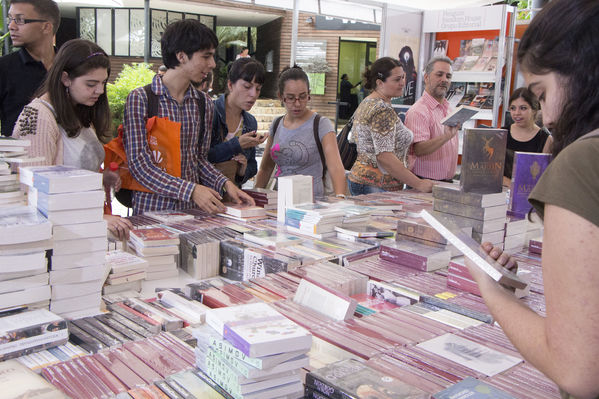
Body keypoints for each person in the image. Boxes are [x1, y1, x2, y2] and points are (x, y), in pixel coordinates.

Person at [463, 1, 599, 398]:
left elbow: (577, 372)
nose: (549, 117)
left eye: (542, 93)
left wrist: (491, 289)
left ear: (580, 70)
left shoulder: (583, 159)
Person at [122, 19, 254, 216]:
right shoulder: (141, 99)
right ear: (181, 56)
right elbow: (140, 167)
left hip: (191, 214)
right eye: (206, 56)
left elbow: (198, 160)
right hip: (151, 214)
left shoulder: (203, 103)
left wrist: (226, 184)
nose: (212, 64)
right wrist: (191, 190)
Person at [12, 39, 132, 240]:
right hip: (60, 236)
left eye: (103, 83)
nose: (100, 91)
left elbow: (71, 173)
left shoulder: (79, 110)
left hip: (81, 229)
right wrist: (97, 217)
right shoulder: (38, 116)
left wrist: (100, 178)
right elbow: (34, 194)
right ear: (65, 78)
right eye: (91, 84)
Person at [254, 66, 347, 198]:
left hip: (312, 203)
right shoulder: (276, 124)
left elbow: (336, 167)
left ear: (309, 94)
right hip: (279, 201)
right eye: (291, 98)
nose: (297, 104)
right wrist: (255, 197)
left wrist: (340, 198)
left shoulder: (321, 124)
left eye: (302, 97)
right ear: (281, 96)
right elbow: (266, 168)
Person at [347, 57, 434, 195]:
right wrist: (419, 184)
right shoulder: (382, 110)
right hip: (377, 186)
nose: (402, 83)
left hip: (365, 181)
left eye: (403, 77)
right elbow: (384, 156)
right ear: (380, 83)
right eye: (396, 79)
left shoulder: (369, 102)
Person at [0, 0, 59, 137]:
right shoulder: (4, 68)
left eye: (20, 20)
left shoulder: (72, 67)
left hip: (67, 156)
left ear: (46, 27)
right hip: (18, 156)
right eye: (11, 19)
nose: (11, 26)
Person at [208, 58, 267, 187]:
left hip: (233, 197)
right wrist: (236, 144)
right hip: (206, 196)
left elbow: (252, 165)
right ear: (230, 85)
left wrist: (242, 170)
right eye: (247, 87)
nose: (253, 94)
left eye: (258, 89)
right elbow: (201, 158)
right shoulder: (210, 112)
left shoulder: (250, 122)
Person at [405, 56, 459, 182]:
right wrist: (445, 137)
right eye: (439, 74)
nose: (444, 80)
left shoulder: (449, 109)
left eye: (448, 76)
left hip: (446, 182)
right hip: (424, 184)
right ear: (426, 77)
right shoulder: (418, 111)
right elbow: (418, 149)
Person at [502, 87, 552, 185]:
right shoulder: (501, 134)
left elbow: (544, 177)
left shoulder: (546, 140)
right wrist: (511, 185)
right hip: (501, 192)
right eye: (513, 108)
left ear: (534, 110)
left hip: (529, 193)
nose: (517, 113)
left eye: (523, 108)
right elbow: (492, 171)